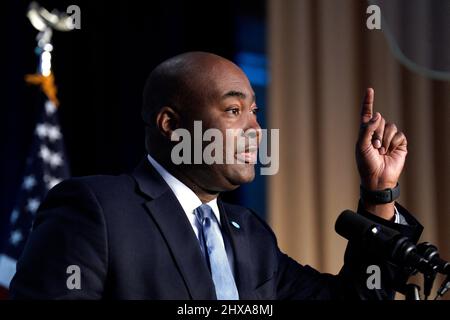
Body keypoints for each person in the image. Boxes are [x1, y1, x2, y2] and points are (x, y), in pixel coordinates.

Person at [10, 52, 422, 299]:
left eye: (255, 112)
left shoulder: (252, 235)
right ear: (171, 124)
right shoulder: (95, 210)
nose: (256, 131)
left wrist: (378, 193)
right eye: (233, 110)